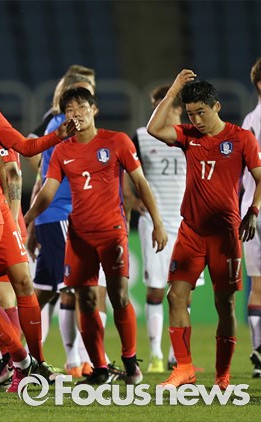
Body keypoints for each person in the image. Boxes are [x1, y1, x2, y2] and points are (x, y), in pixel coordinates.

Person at [26, 87, 167, 386]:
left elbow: (140, 182)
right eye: (69, 110)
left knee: (118, 296)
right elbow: (48, 191)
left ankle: (130, 360)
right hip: (78, 237)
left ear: (94, 110)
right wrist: (27, 219)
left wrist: (157, 222)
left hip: (112, 233)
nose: (75, 114)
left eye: (81, 107)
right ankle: (99, 367)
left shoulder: (117, 141)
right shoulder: (62, 150)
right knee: (86, 299)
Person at [148, 70, 261, 389]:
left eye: (201, 112)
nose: (196, 119)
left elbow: (259, 177)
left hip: (225, 235)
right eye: (191, 114)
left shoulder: (242, 138)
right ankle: (184, 368)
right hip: (191, 232)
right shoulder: (188, 136)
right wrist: (174, 90)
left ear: (217, 107)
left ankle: (223, 374)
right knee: (175, 296)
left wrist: (253, 210)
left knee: (224, 304)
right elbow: (154, 128)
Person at [25, 71, 103, 379]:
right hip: (61, 216)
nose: (80, 110)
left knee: (45, 292)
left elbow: (43, 178)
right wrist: (30, 220)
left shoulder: (66, 129)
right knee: (76, 290)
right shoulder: (63, 129)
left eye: (85, 102)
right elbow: (47, 180)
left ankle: (19, 357)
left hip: (59, 217)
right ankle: (86, 361)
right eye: (75, 103)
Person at [131, 85, 205, 373]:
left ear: (177, 107)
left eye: (162, 103)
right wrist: (133, 200)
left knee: (185, 293)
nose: (157, 109)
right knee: (155, 289)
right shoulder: (141, 137)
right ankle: (156, 355)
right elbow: (127, 175)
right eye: (154, 104)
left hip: (189, 224)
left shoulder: (193, 137)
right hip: (156, 223)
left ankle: (178, 357)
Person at [241, 58, 261, 378]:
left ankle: (259, 350)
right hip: (255, 208)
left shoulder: (248, 121)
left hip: (250, 210)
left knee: (258, 284)